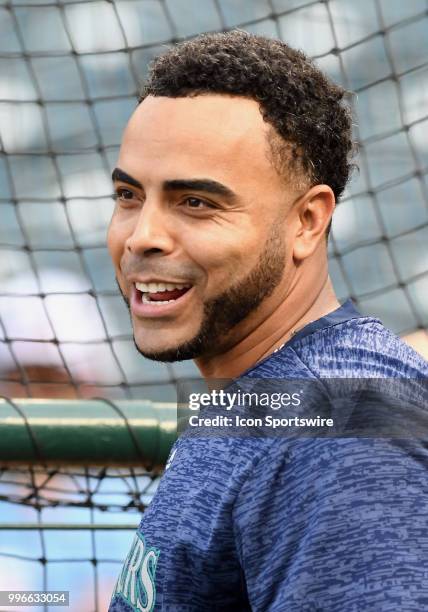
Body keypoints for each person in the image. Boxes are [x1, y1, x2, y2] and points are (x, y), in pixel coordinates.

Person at [107, 31, 428, 611]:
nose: (141, 236)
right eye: (129, 195)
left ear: (307, 220)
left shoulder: (338, 429)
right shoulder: (273, 394)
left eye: (195, 202)